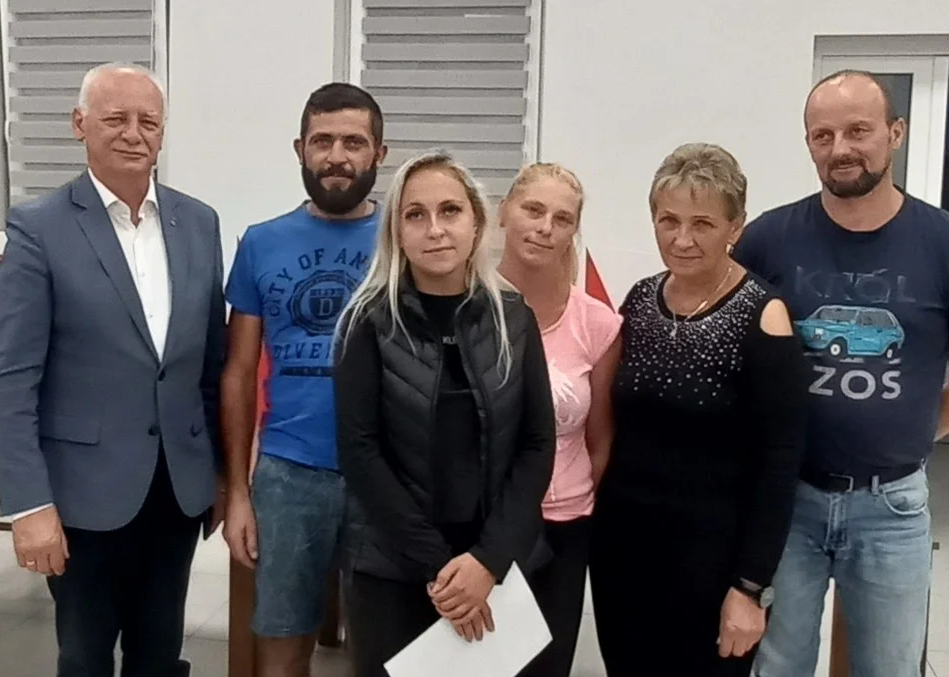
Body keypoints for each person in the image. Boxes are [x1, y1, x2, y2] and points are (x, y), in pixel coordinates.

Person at [737, 70, 949, 677]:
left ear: (895, 133)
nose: (841, 148)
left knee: (888, 667)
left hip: (892, 510)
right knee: (776, 666)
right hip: (787, 502)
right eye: (823, 135)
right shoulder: (766, 241)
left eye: (858, 130)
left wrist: (903, 438)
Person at [0, 62, 227, 677]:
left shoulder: (199, 223)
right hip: (81, 496)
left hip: (175, 490)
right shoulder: (39, 229)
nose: (133, 134)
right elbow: (10, 380)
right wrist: (28, 505)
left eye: (148, 121)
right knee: (86, 657)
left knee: (159, 655)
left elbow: (208, 365)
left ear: (163, 133)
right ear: (80, 124)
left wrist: (219, 474)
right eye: (115, 118)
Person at [332, 150, 557, 677]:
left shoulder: (514, 317)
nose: (435, 229)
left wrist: (487, 562)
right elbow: (359, 452)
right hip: (393, 566)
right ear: (397, 232)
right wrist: (441, 568)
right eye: (416, 215)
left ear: (477, 223)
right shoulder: (368, 323)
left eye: (450, 211)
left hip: (497, 564)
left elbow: (537, 443)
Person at [590, 142, 808, 676]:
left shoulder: (763, 315)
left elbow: (780, 461)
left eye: (702, 224)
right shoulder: (639, 300)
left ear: (736, 227)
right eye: (669, 220)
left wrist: (750, 588)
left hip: (713, 564)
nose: (681, 239)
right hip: (623, 550)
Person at [220, 82, 387, 677]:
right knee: (284, 644)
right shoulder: (261, 243)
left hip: (388, 475)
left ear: (379, 154)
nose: (336, 157)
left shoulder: (406, 239)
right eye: (322, 141)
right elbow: (239, 372)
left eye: (353, 142)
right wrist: (237, 493)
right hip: (289, 475)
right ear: (300, 149)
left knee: (387, 649)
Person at [496, 163, 620, 677]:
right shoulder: (463, 304)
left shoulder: (599, 324)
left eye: (562, 218)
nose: (545, 227)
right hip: (478, 523)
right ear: (503, 212)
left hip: (563, 526)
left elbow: (600, 439)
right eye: (533, 210)